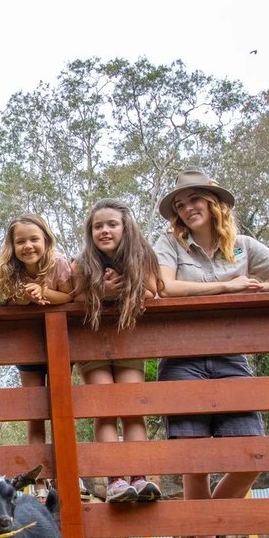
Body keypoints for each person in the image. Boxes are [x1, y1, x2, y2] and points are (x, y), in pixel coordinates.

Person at [153, 169, 269, 538]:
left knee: (252, 452)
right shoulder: (169, 245)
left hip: (231, 357)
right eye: (180, 203)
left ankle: (203, 527)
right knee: (195, 458)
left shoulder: (243, 247)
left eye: (195, 199)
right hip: (182, 356)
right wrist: (227, 287)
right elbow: (166, 288)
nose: (188, 208)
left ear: (213, 202)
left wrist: (259, 287)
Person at [72, 198, 163, 503]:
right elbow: (77, 297)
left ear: (126, 227)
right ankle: (115, 480)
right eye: (98, 226)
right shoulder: (82, 262)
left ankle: (139, 477)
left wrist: (126, 288)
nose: (105, 230)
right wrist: (102, 289)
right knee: (106, 410)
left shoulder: (142, 256)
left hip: (127, 338)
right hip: (93, 340)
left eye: (112, 224)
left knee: (132, 409)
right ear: (90, 232)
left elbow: (152, 291)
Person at [0, 213, 73, 445]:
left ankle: (66, 470)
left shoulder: (59, 264)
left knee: (60, 405)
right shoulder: (9, 272)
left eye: (34, 239)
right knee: (34, 408)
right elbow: (5, 301)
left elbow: (68, 295)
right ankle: (38, 480)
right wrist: (23, 299)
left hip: (59, 342)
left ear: (46, 240)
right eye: (20, 241)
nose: (28, 246)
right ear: (13, 246)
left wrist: (43, 291)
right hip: (27, 343)